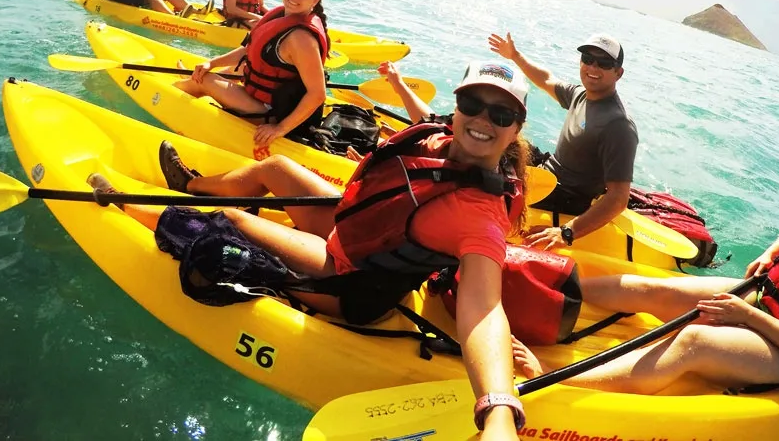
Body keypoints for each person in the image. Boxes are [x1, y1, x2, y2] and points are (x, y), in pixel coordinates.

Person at [112, 61, 538, 441]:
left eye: (501, 114)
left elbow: (483, 306)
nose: (483, 119)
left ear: (516, 128)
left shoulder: (481, 216)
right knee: (275, 168)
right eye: (473, 103)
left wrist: (498, 408)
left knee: (232, 220)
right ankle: (190, 187)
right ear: (457, 108)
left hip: (351, 279)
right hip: (352, 233)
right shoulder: (439, 140)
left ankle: (127, 205)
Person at [510, 142, 779, 395]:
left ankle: (554, 376)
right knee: (648, 288)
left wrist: (743, 314)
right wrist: (770, 253)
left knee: (694, 340)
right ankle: (532, 286)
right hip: (764, 297)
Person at [488, 32, 638, 250]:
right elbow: (546, 79)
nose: (593, 68)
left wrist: (567, 231)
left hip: (565, 196)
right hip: (548, 174)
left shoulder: (618, 125)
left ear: (618, 73)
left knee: (489, 180)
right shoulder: (581, 95)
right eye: (587, 59)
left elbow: (618, 197)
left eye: (604, 63)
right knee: (500, 134)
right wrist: (514, 55)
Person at [175, 0, 329, 148]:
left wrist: (279, 128)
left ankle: (169, 92)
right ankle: (188, 81)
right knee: (228, 70)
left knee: (204, 80)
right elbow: (249, 51)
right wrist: (212, 63)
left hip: (272, 113)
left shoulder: (301, 39)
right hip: (258, 98)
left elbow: (318, 94)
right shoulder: (282, 15)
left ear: (315, 0)